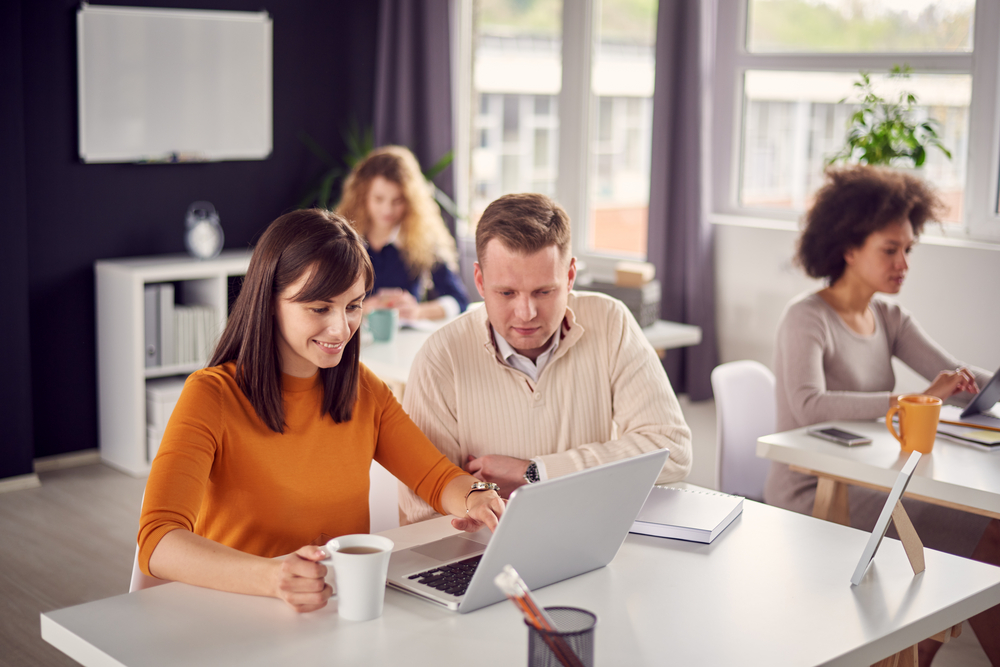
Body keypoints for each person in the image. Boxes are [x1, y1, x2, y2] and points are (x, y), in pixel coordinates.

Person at [137, 209, 504, 614]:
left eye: (353, 306)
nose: (341, 329)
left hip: (334, 612)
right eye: (319, 308)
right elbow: (158, 540)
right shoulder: (212, 396)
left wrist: (478, 497)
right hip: (237, 612)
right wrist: (272, 578)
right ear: (269, 301)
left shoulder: (365, 390)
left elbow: (436, 478)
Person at [764, 165, 999, 665]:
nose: (903, 264)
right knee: (992, 533)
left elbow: (955, 378)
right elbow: (809, 404)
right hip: (821, 488)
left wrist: (980, 389)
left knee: (988, 529)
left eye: (907, 250)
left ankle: (910, 654)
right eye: (889, 250)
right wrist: (908, 402)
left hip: (875, 479)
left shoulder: (889, 318)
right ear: (849, 248)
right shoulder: (806, 318)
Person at [398, 193, 692, 524]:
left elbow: (672, 450)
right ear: (479, 281)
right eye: (506, 293)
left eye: (544, 291)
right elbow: (419, 510)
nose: (526, 313)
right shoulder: (440, 358)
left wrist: (536, 472)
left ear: (569, 276)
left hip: (592, 540)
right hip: (481, 551)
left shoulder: (611, 322)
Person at [338, 145, 469, 320]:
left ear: (410, 201)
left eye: (397, 201)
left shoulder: (423, 239)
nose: (388, 210)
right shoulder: (342, 239)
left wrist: (418, 312)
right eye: (378, 199)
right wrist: (361, 308)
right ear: (362, 197)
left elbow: (458, 299)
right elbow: (323, 301)